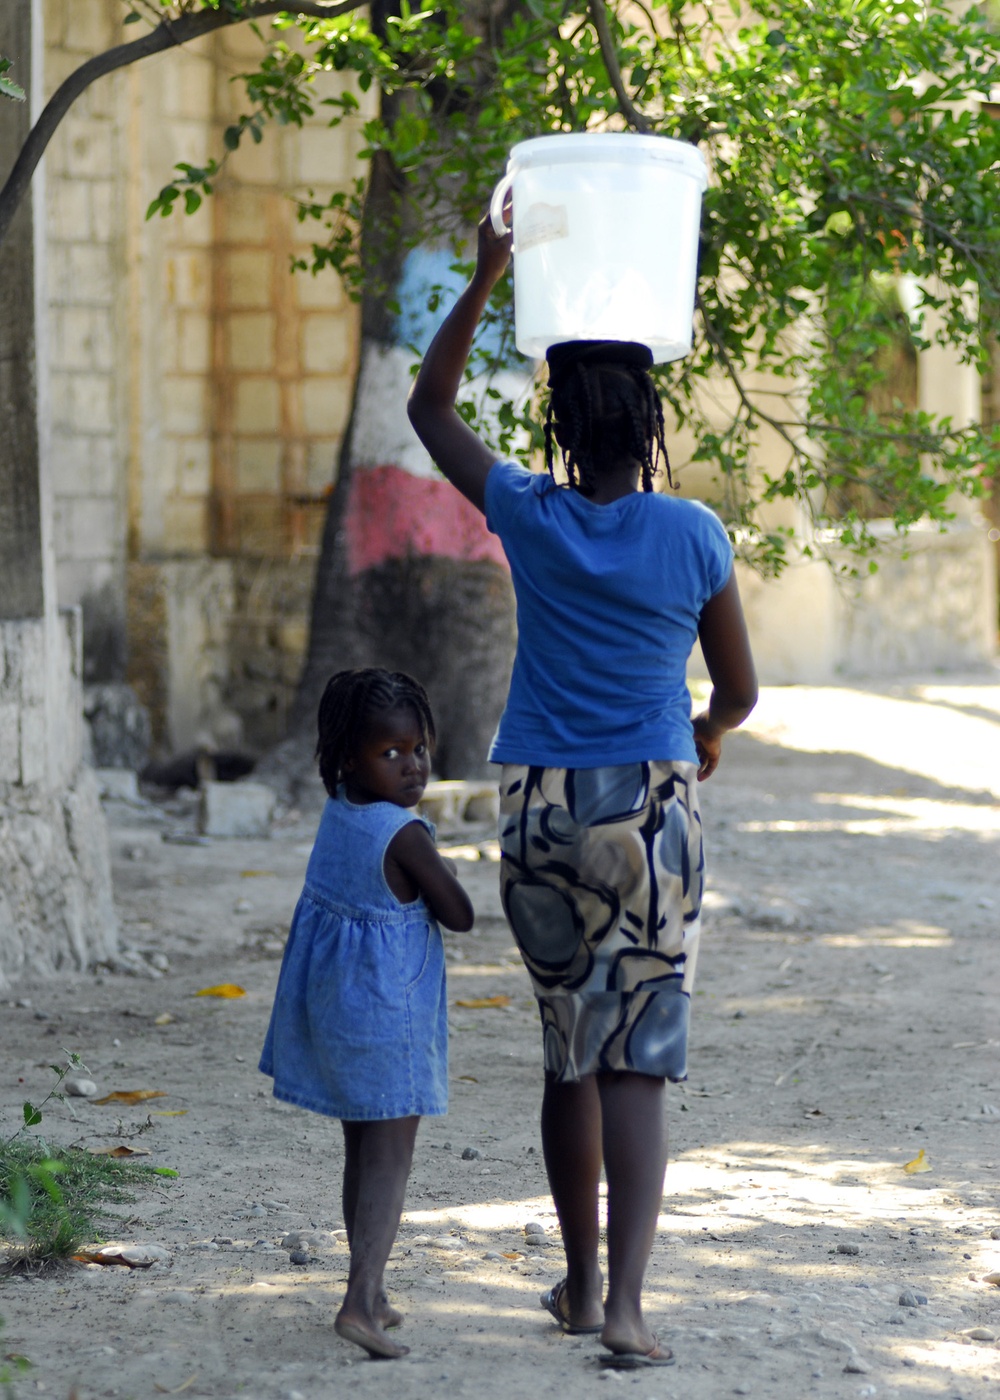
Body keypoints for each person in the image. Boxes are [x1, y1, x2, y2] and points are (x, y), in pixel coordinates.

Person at [406, 214, 758, 1369]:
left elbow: (429, 408)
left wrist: (490, 269)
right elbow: (741, 691)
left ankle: (578, 1278)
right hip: (651, 807)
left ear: (560, 426)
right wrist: (701, 732)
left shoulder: (529, 513)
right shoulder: (695, 532)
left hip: (541, 800)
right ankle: (627, 1310)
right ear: (650, 428)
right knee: (638, 1052)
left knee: (570, 1049)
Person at [259, 668, 474, 1360]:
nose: (412, 766)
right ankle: (359, 1301)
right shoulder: (402, 834)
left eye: (420, 750)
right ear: (350, 756)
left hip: (337, 1012)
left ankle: (371, 1291)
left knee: (361, 1151)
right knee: (390, 1158)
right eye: (391, 753)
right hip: (388, 1019)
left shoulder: (340, 813)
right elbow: (460, 914)